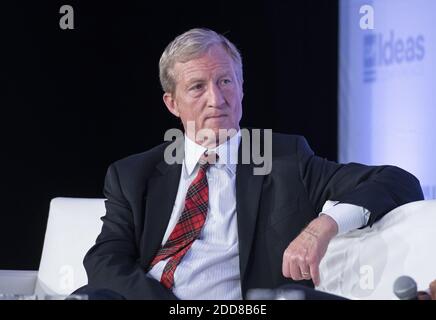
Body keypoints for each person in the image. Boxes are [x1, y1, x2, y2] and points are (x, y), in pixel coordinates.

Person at [78, 28, 424, 300]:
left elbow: (397, 181)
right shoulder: (132, 174)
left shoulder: (285, 159)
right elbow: (104, 260)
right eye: (197, 87)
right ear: (172, 103)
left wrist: (324, 225)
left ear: (242, 88)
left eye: (225, 81)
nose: (217, 99)